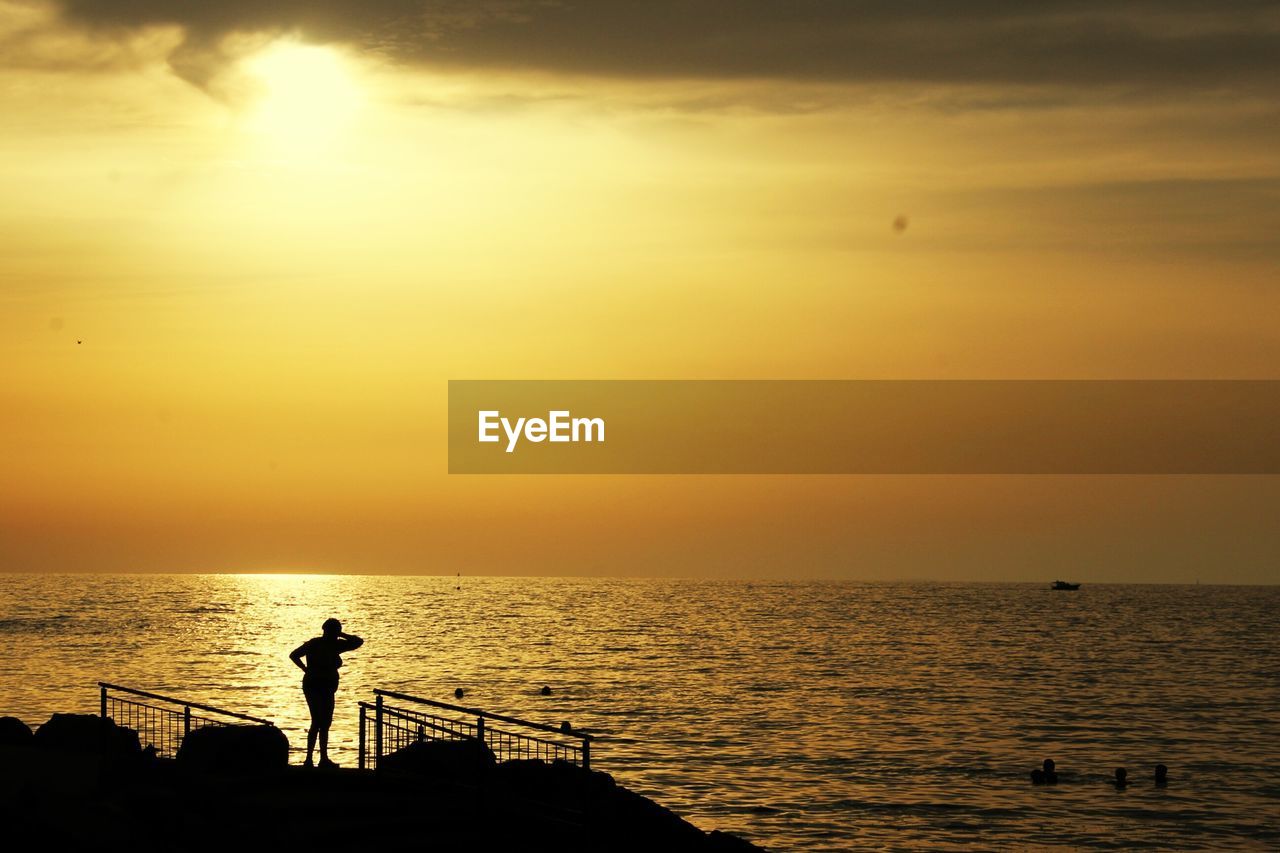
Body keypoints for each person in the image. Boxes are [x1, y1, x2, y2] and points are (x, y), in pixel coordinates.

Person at [290, 618, 363, 768]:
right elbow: (294, 655)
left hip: (322, 686)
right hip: (317, 686)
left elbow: (358, 642)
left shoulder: (327, 644)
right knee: (319, 721)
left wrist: (305, 669)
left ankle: (320, 758)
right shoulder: (326, 644)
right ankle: (312, 759)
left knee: (323, 722)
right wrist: (305, 669)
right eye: (335, 631)